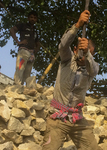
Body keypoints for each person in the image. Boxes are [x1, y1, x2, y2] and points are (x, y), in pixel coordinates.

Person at [42, 10, 101, 150]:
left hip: (77, 119)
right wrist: (78, 25)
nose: (83, 55)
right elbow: (62, 45)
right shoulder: (67, 60)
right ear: (75, 49)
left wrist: (87, 53)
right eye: (80, 50)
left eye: (88, 53)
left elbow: (94, 69)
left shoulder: (92, 67)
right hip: (57, 117)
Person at [10, 10, 40, 85]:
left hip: (31, 54)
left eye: (35, 18)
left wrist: (36, 50)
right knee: (20, 69)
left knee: (27, 73)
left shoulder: (35, 31)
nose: (33, 19)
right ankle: (17, 86)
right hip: (23, 51)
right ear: (28, 18)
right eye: (31, 17)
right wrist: (18, 41)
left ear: (36, 20)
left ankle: (24, 90)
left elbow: (38, 43)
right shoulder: (23, 25)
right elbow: (12, 30)